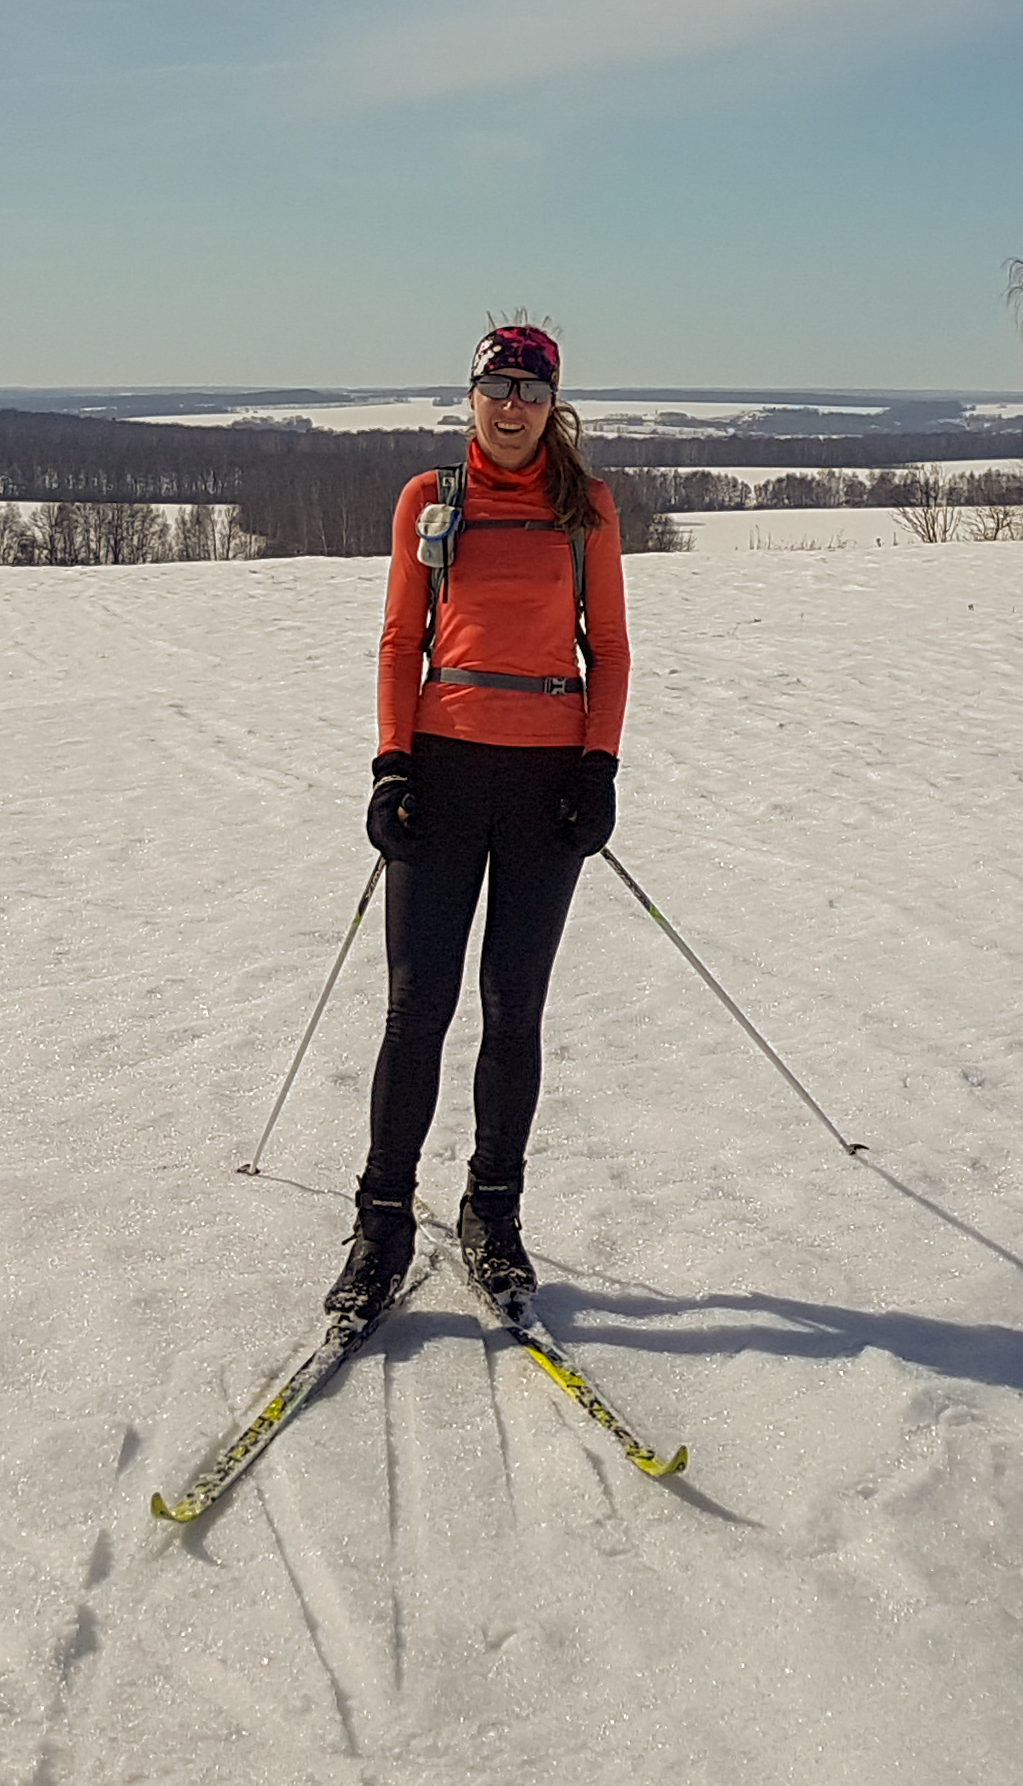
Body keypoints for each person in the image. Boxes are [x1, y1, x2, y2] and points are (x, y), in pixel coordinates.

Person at [329, 324, 629, 1323]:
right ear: (469, 397)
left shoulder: (584, 508)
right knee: (417, 1008)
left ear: (554, 405)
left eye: (531, 392)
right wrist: (392, 764)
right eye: (497, 387)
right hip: (444, 769)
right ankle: (381, 1226)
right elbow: (398, 640)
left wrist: (597, 765)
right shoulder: (431, 498)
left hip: (546, 783)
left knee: (513, 1007)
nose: (513, 407)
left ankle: (492, 1214)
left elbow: (610, 646)